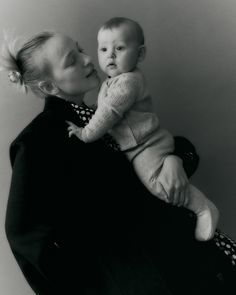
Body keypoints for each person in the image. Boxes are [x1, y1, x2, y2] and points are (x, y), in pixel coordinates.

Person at [1, 30, 236, 295]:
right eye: (72, 60)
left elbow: (165, 144)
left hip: (194, 251)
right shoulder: (40, 141)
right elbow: (24, 236)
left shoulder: (108, 109)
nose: (89, 59)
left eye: (80, 49)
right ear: (48, 87)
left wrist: (175, 159)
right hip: (152, 278)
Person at [67, 17, 218, 241]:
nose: (110, 55)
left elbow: (108, 113)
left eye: (119, 48)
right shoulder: (114, 81)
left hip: (144, 145)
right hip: (146, 141)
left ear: (140, 54)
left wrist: (85, 133)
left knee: (157, 184)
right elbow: (104, 107)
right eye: (104, 49)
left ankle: (202, 207)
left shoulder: (127, 82)